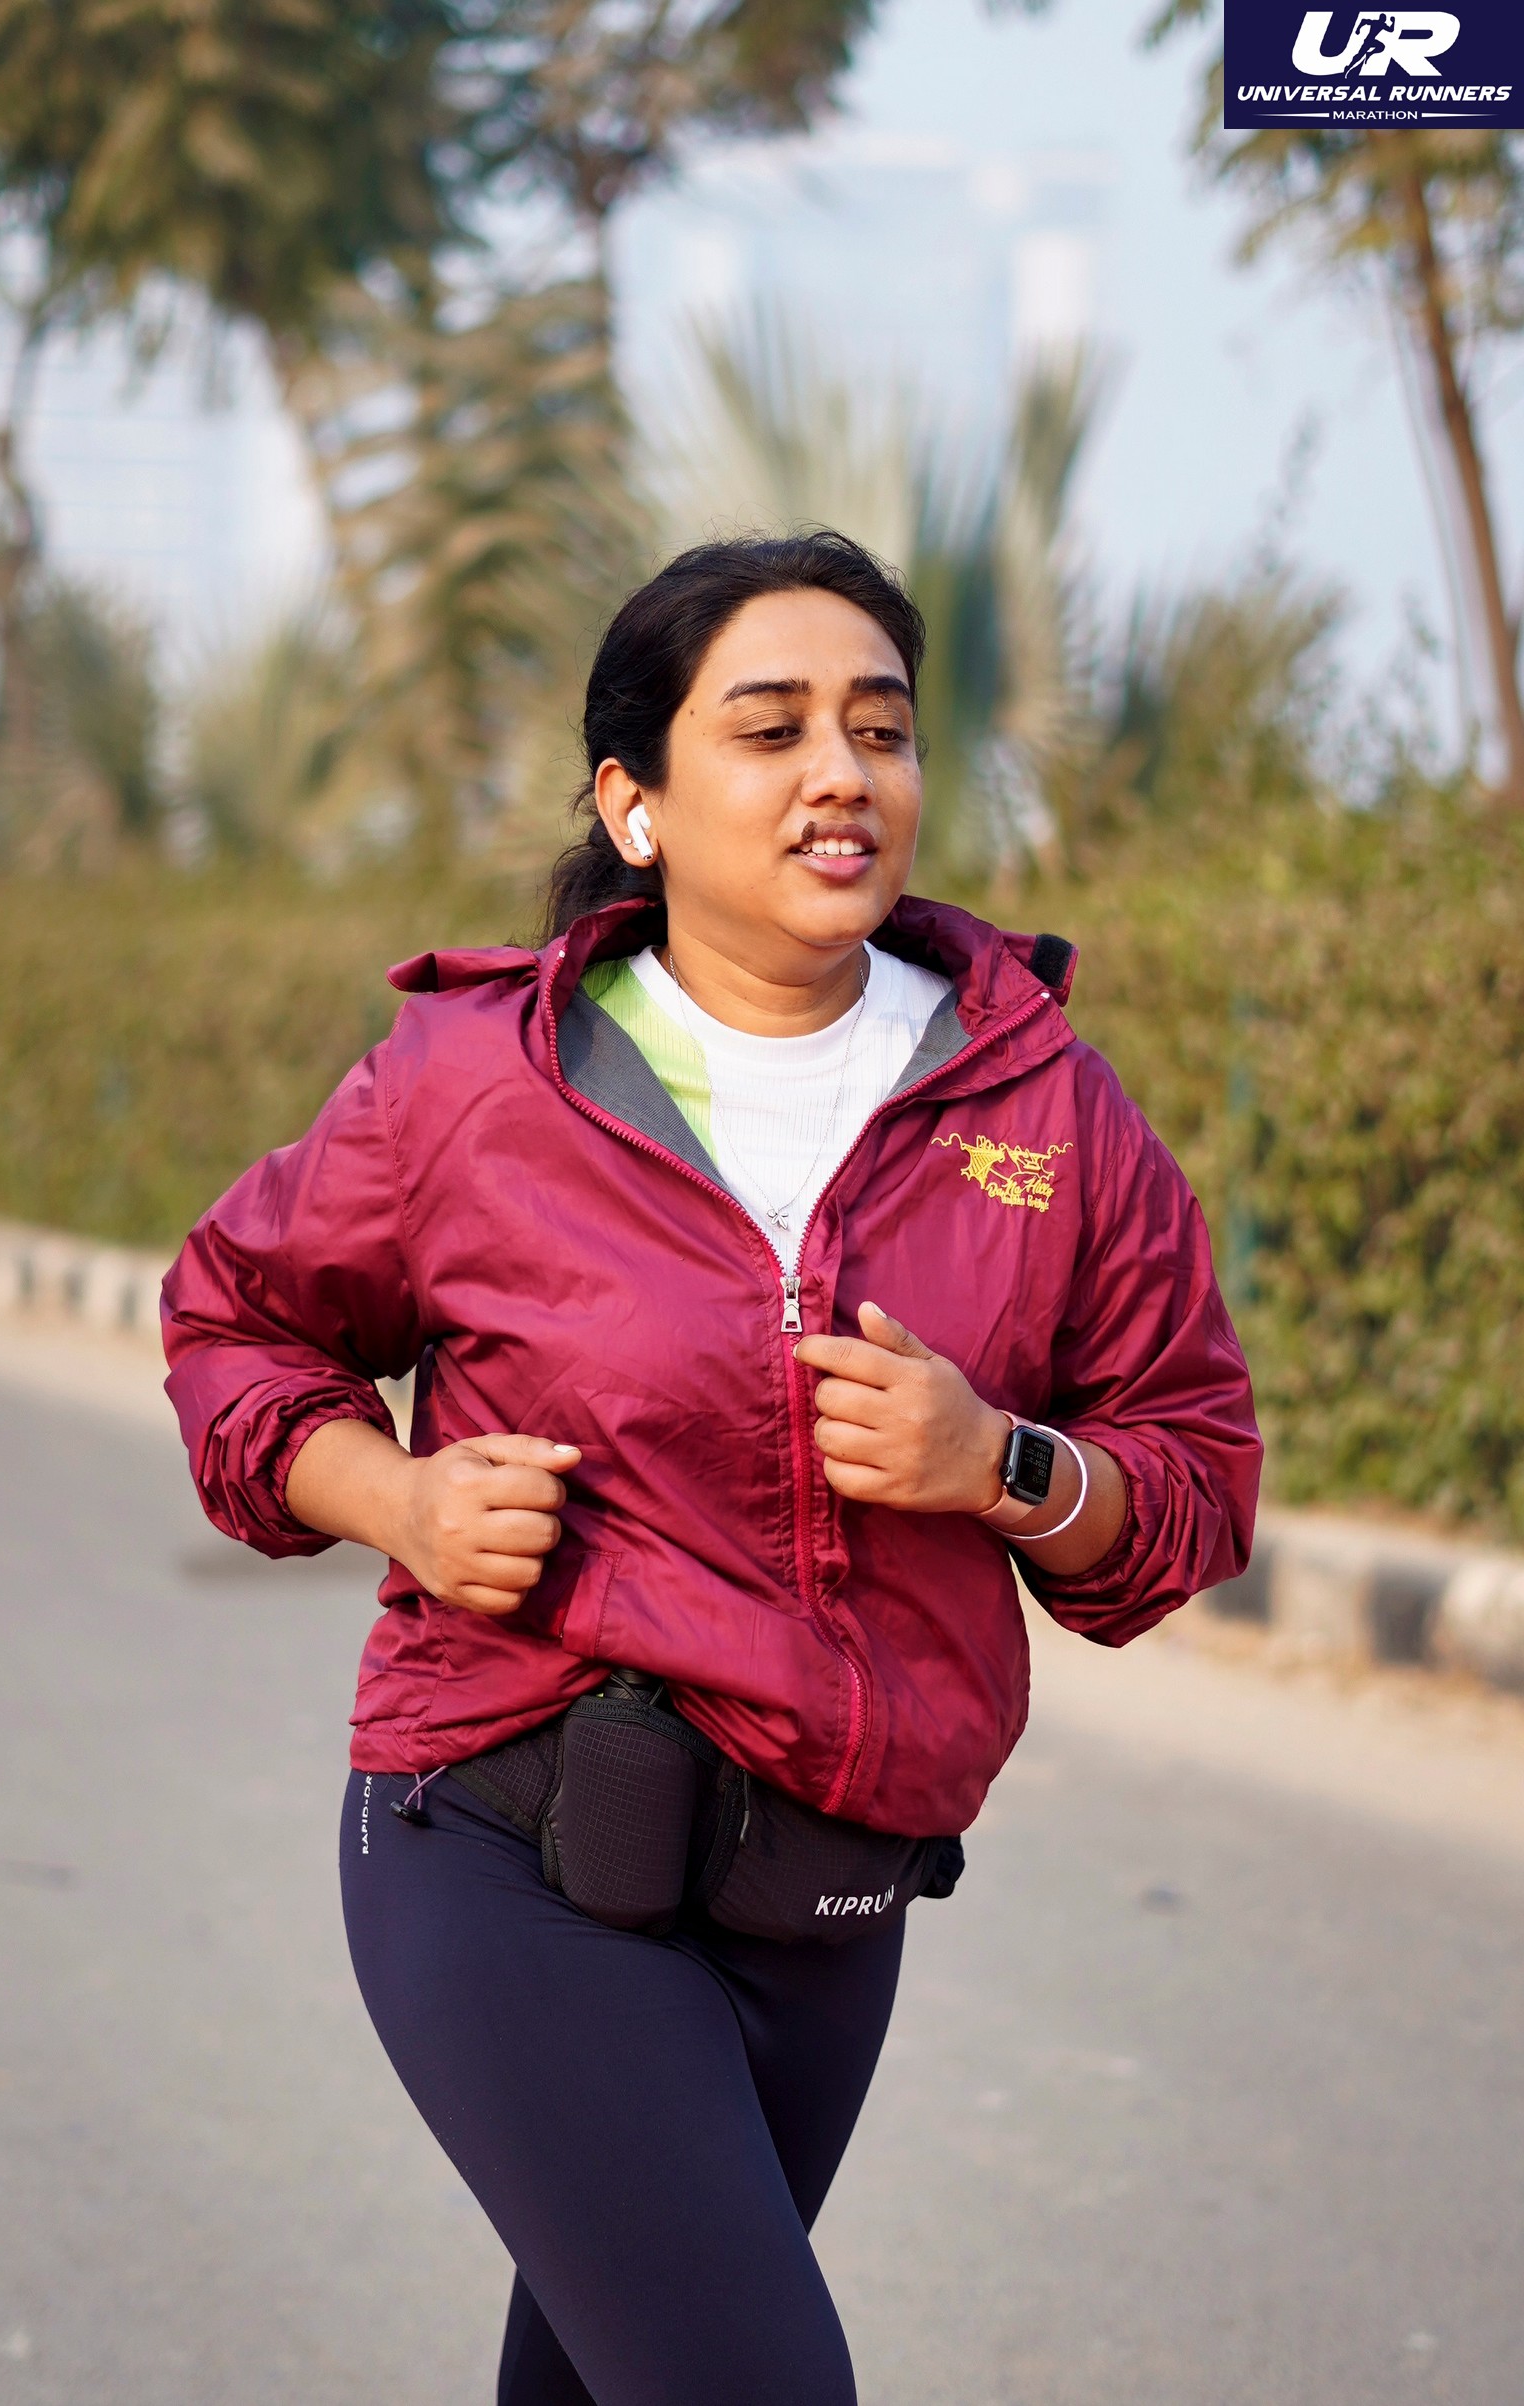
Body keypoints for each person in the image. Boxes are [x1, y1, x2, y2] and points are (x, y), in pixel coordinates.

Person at [163, 531, 1261, 2406]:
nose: (843, 773)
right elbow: (235, 1322)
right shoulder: (477, 1079)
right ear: (638, 803)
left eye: (882, 729)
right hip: (503, 1835)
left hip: (821, 1894)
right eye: (771, 730)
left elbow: (1195, 1477)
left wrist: (999, 1463)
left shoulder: (1044, 1103)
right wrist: (402, 1500)